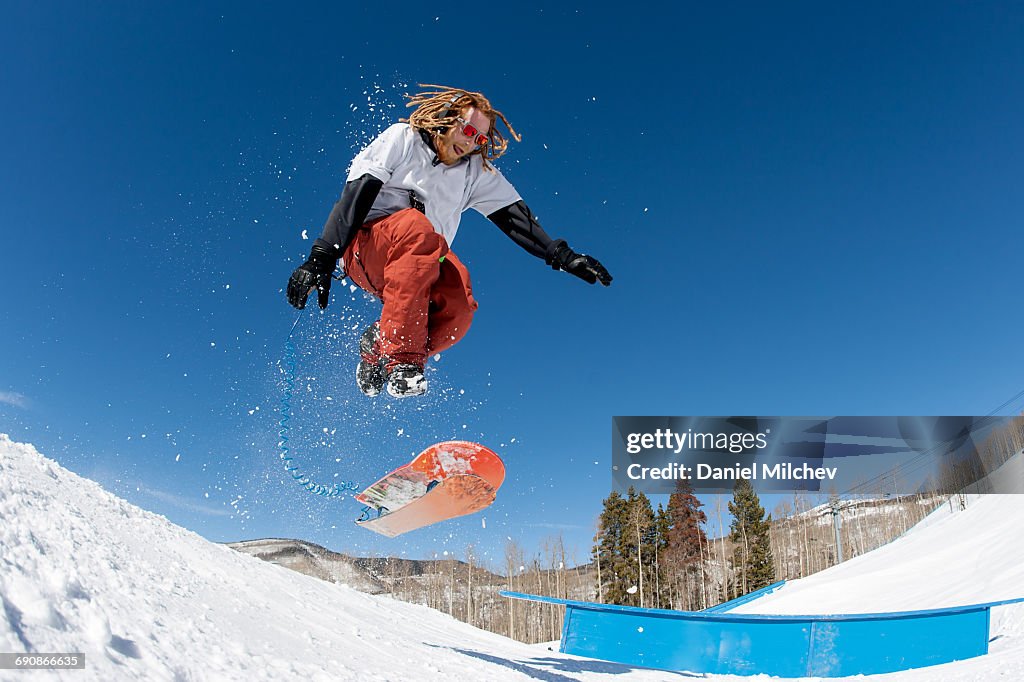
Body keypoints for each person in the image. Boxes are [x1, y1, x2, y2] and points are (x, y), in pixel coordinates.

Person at [286, 84, 612, 398]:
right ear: (445, 118)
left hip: (417, 266)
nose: (470, 143)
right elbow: (357, 193)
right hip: (367, 248)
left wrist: (561, 255)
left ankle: (379, 345)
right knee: (416, 227)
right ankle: (403, 360)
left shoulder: (474, 173)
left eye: (479, 139)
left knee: (459, 303)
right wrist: (321, 258)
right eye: (467, 131)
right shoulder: (403, 139)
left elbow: (516, 219)